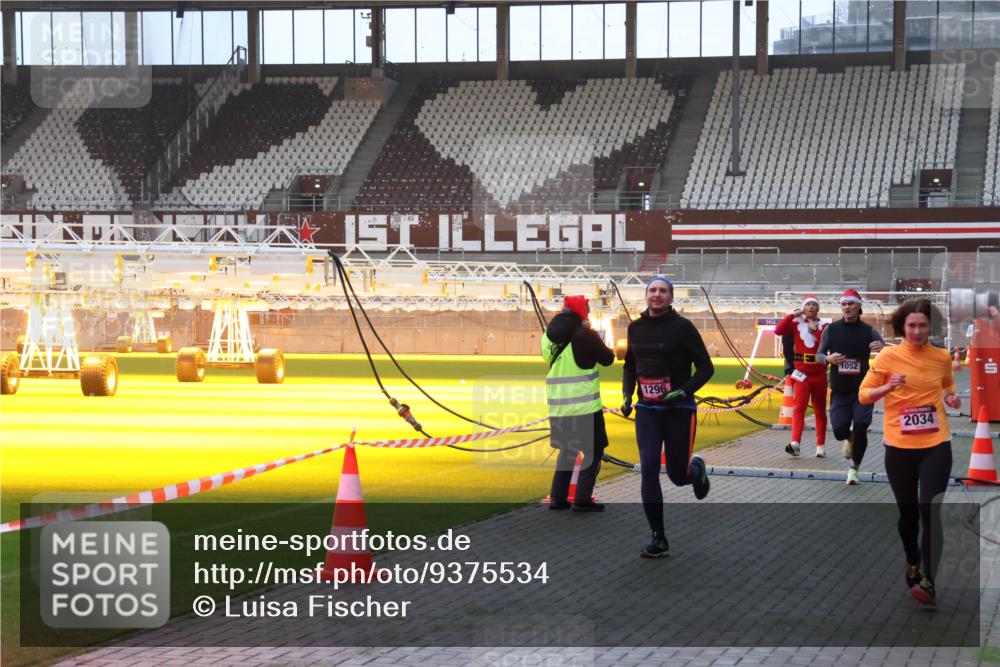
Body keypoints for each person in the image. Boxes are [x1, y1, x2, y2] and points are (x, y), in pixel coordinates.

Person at [859, 298, 960, 607]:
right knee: (909, 515)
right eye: (911, 326)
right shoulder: (888, 356)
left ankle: (928, 581)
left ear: (932, 327)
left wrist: (951, 397)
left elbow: (947, 384)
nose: (917, 331)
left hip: (936, 445)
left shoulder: (942, 356)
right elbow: (864, 395)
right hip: (899, 448)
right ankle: (913, 561)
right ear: (902, 328)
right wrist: (887, 387)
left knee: (930, 510)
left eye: (923, 326)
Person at [622, 276, 713, 557]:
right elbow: (630, 366)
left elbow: (706, 369)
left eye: (663, 291)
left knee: (677, 475)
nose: (657, 294)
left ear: (671, 297)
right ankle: (658, 537)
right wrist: (626, 395)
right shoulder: (635, 328)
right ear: (646, 295)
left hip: (679, 411)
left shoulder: (683, 327)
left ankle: (695, 470)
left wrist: (683, 391)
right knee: (649, 467)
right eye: (652, 290)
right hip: (647, 410)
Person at [542, 294, 615, 512]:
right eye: (587, 309)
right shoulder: (585, 335)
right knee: (594, 451)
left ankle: (558, 498)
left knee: (567, 451)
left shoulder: (547, 336)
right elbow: (608, 359)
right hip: (585, 407)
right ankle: (582, 499)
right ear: (582, 311)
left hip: (558, 406)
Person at [816, 289, 884, 485]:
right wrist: (828, 358)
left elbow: (885, 350)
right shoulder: (831, 330)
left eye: (851, 304)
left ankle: (854, 469)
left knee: (861, 428)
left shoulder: (868, 331)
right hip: (840, 390)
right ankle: (848, 437)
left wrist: (881, 348)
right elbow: (818, 355)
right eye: (844, 304)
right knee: (839, 432)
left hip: (863, 389)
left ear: (859, 306)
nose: (847, 307)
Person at [775, 295, 829, 457]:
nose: (811, 307)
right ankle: (795, 443)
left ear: (818, 308)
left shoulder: (825, 326)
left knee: (820, 410)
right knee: (799, 409)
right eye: (808, 304)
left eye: (814, 304)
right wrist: (792, 315)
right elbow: (778, 330)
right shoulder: (795, 324)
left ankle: (820, 446)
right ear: (803, 308)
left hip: (819, 374)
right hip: (801, 375)